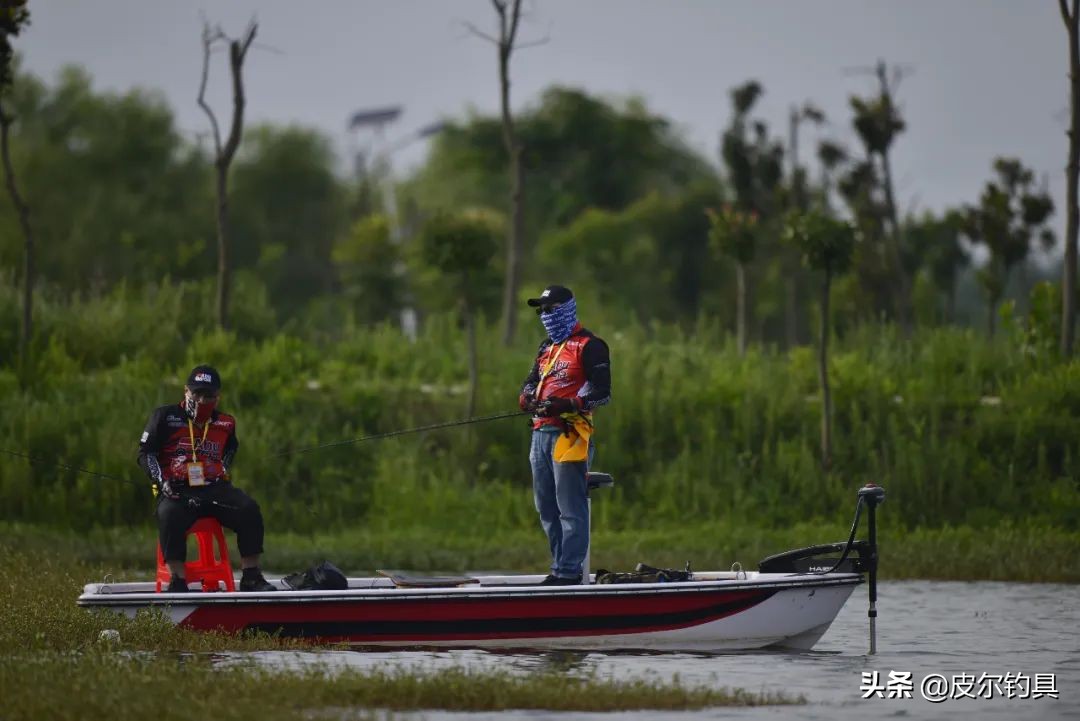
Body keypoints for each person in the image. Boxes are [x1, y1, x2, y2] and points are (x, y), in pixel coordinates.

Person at [137, 365, 275, 592]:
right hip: (177, 489)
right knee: (169, 514)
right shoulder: (164, 417)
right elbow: (145, 453)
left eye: (208, 395)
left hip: (214, 488)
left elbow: (231, 449)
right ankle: (178, 581)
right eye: (197, 393)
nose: (202, 400)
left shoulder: (226, 424)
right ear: (186, 391)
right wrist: (161, 480)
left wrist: (223, 468)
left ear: (217, 398)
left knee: (248, 508)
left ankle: (251, 575)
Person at [518, 285, 611, 585]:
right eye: (541, 310)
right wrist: (527, 398)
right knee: (545, 507)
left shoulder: (590, 345)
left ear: (568, 308)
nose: (545, 315)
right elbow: (531, 381)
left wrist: (570, 403)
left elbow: (603, 393)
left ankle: (569, 573)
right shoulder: (547, 347)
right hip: (539, 433)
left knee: (570, 507)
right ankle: (558, 567)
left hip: (570, 434)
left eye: (551, 309)